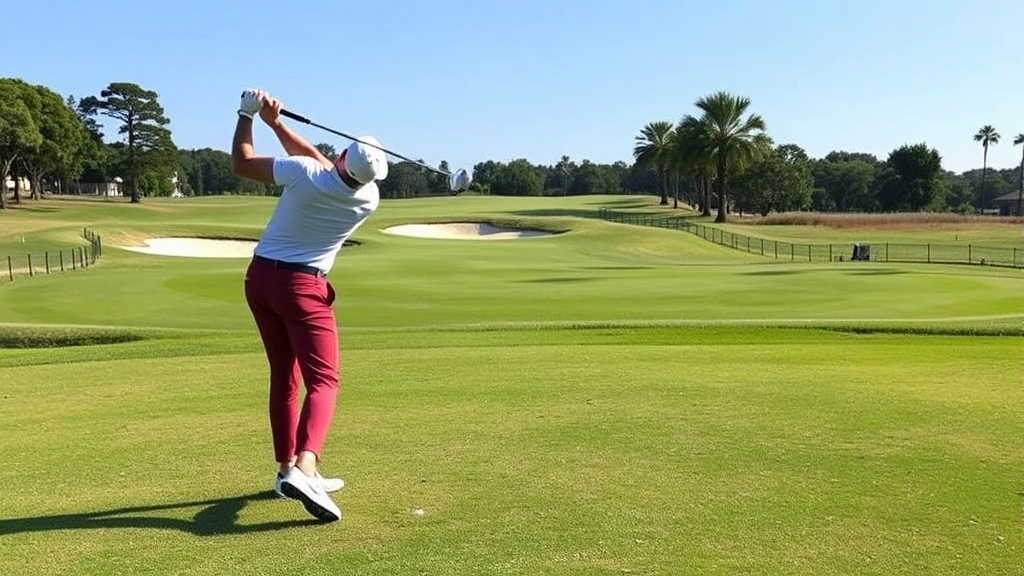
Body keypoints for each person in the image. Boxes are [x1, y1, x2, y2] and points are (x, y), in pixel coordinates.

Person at [230, 89, 387, 522]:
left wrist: (248, 115)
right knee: (324, 380)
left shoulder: (303, 173)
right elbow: (320, 160)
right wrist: (276, 124)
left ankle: (291, 469)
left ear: (341, 157)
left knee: (286, 375)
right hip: (303, 287)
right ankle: (305, 467)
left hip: (261, 279)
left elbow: (242, 163)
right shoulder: (367, 198)